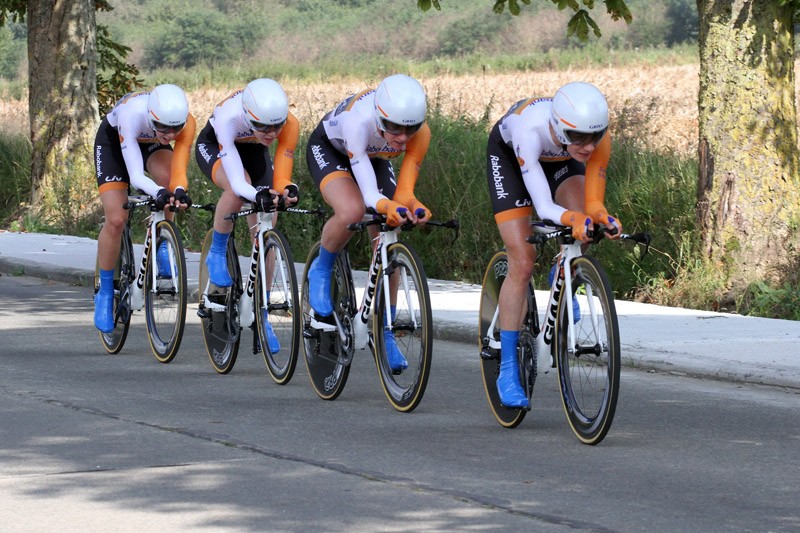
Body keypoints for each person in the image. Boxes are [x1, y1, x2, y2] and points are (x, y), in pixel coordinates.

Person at [486, 81, 622, 408]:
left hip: (560, 159)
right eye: (579, 137)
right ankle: (506, 369)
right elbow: (545, 209)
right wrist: (575, 220)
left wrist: (600, 218)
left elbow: (593, 205)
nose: (589, 147)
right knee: (522, 260)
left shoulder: (588, 140)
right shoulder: (529, 131)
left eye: (595, 136)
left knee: (584, 225)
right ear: (560, 128)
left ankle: (561, 273)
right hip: (513, 159)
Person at [305, 73, 432, 373]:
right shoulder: (357, 122)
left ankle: (383, 328)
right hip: (332, 151)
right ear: (379, 116)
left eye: (410, 129)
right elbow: (370, 195)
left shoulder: (418, 133)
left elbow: (404, 192)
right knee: (352, 211)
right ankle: (321, 269)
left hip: (373, 156)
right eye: (394, 129)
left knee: (391, 230)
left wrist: (413, 205)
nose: (402, 138)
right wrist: (386, 205)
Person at [194, 78, 300, 353]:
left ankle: (260, 309)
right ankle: (217, 252)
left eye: (276, 126)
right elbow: (241, 185)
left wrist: (285, 189)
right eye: (264, 126)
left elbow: (282, 174)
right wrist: (257, 194)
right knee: (236, 189)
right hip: (217, 148)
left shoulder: (288, 124)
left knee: (268, 224)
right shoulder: (229, 119)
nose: (271, 132)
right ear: (248, 116)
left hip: (254, 152)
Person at [94, 83, 196, 333]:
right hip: (115, 145)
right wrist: (158, 192)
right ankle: (105, 290)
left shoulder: (184, 124)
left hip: (149, 142)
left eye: (176, 128)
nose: (171, 134)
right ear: (152, 117)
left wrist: (177, 190)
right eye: (164, 127)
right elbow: (136, 176)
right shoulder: (132, 115)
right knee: (117, 219)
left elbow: (179, 173)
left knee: (170, 182)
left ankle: (162, 241)